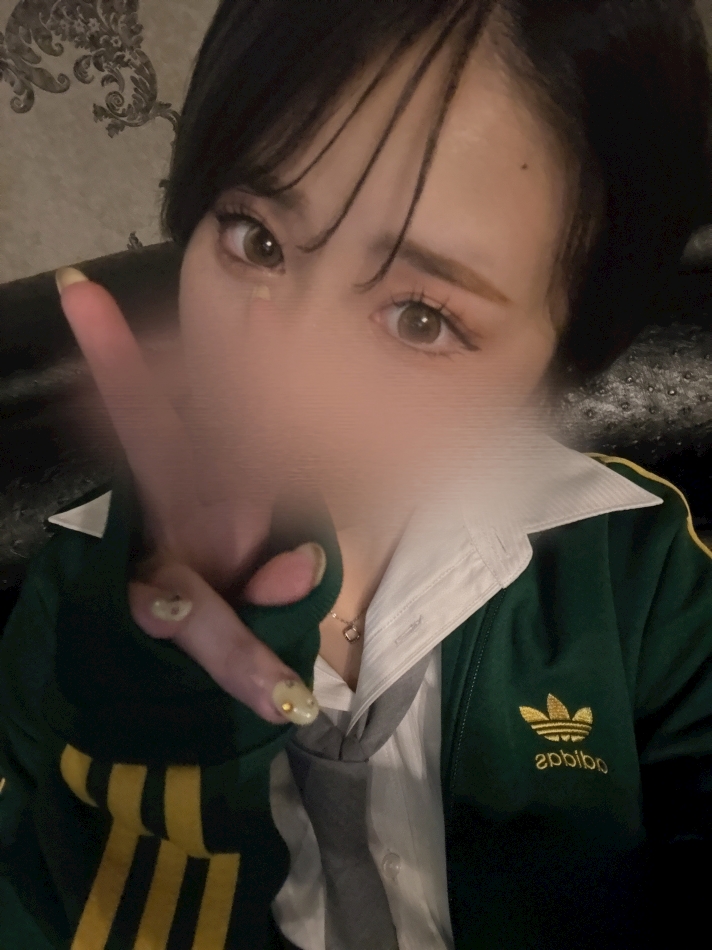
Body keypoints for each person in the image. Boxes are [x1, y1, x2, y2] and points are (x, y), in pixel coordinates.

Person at [1, 1, 711, 948]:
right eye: (256, 239)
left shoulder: (639, 579)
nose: (281, 379)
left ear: (567, 355)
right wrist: (157, 751)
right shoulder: (77, 613)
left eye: (421, 318)